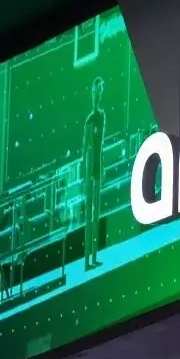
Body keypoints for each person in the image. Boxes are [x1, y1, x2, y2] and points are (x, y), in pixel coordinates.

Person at [82, 77, 106, 271]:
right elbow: (86, 148)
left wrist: (101, 167)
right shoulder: (90, 119)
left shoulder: (101, 117)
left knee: (95, 215)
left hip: (97, 166)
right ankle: (87, 260)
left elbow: (100, 146)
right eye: (97, 90)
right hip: (91, 168)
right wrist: (86, 173)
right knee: (89, 216)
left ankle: (94, 257)